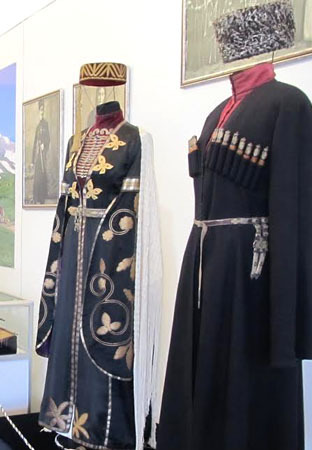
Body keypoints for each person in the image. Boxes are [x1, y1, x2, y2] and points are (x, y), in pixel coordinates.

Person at [158, 3, 312, 450]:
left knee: (246, 380)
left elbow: (294, 204)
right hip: (208, 259)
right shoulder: (217, 113)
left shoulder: (289, 103)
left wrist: (287, 315)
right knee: (202, 371)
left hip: (251, 272)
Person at [35, 63, 162, 450]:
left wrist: (109, 249)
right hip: (74, 245)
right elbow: (65, 204)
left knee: (102, 327)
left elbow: (135, 205)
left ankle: (104, 432)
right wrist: (58, 253)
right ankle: (66, 422)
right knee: (68, 327)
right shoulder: (75, 141)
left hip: (109, 248)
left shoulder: (136, 138)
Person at [31, 99, 50, 204]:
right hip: (38, 154)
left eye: (43, 110)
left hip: (43, 154)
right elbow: (35, 142)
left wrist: (44, 145)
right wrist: (32, 160)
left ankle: (41, 197)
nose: (42, 112)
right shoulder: (38, 126)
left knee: (42, 174)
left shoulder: (45, 124)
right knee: (37, 175)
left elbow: (48, 138)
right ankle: (36, 197)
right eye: (40, 110)